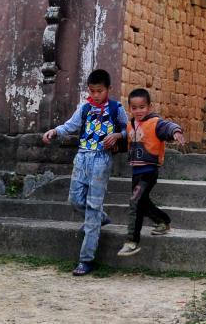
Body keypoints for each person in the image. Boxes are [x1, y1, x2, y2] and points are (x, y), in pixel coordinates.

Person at [42, 68, 128, 276]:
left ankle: (86, 259)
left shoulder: (117, 108)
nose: (96, 95)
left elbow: (129, 130)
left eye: (99, 91)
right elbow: (71, 125)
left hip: (101, 159)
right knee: (74, 199)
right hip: (82, 157)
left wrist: (117, 135)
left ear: (109, 89)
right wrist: (55, 131)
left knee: (93, 205)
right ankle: (101, 218)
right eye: (92, 91)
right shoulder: (85, 107)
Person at [116, 88, 185, 257]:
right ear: (129, 108)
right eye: (134, 108)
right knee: (142, 202)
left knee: (135, 201)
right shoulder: (130, 125)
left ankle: (132, 241)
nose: (138, 111)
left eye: (142, 107)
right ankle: (163, 221)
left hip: (149, 172)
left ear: (149, 107)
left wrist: (175, 132)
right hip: (136, 172)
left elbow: (168, 126)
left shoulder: (155, 123)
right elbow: (127, 142)